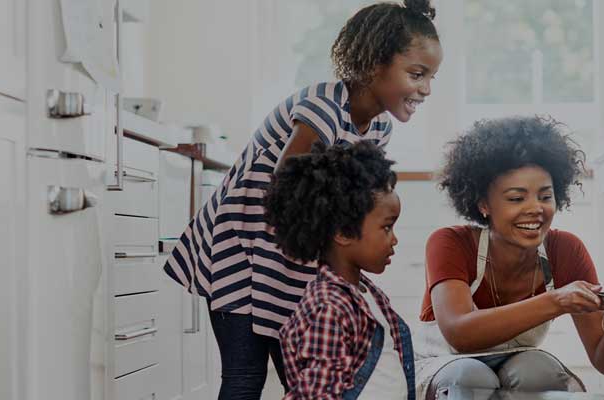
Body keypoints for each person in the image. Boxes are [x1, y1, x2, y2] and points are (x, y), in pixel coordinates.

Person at [161, 0, 443, 397]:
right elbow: (286, 192)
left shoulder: (378, 127)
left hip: (290, 256)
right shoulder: (323, 107)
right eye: (416, 74)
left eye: (431, 77)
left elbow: (351, 204)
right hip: (241, 247)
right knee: (245, 375)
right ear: (376, 63)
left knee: (303, 376)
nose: (426, 89)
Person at [415, 116, 604, 397]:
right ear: (483, 204)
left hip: (517, 365)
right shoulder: (450, 242)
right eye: (516, 199)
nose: (535, 209)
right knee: (469, 376)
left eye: (545, 196)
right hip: (445, 367)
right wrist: (556, 301)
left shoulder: (565, 250)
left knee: (537, 370)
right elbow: (460, 333)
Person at [267, 141, 414, 399]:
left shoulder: (368, 295)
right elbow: (318, 393)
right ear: (344, 232)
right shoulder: (329, 307)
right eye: (387, 227)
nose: (394, 239)